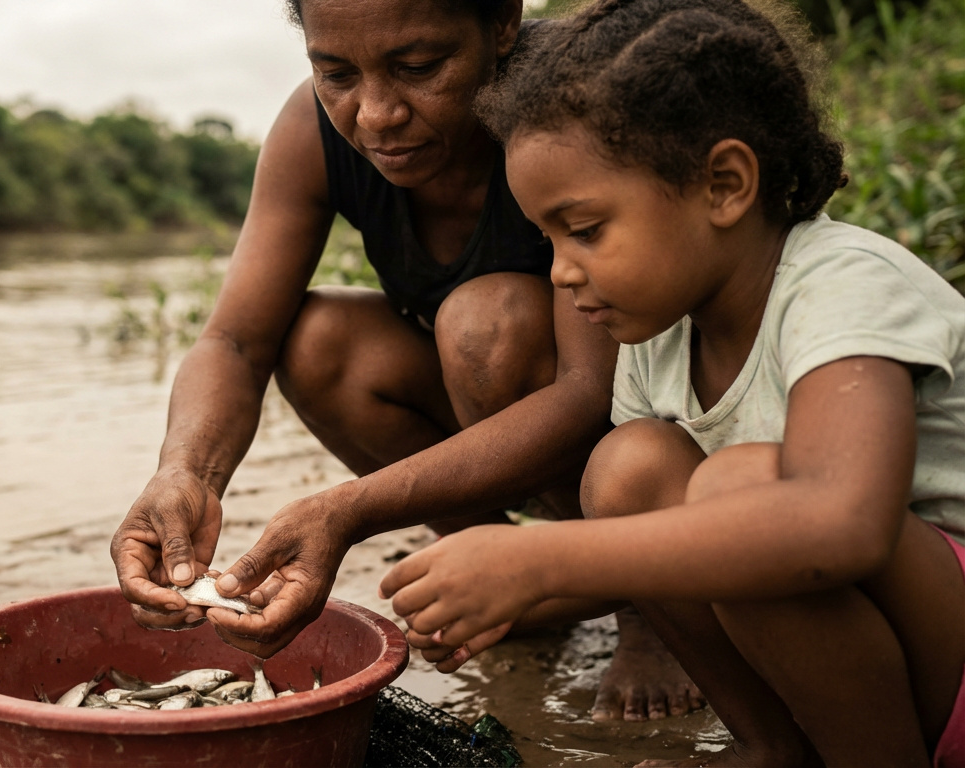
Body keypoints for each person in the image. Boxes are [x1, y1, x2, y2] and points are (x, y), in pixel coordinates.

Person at [380, 0, 965, 763]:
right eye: (546, 238)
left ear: (724, 184)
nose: (560, 271)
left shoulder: (842, 286)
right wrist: (493, 593)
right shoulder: (661, 334)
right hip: (887, 657)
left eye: (585, 230)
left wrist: (539, 560)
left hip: (947, 654)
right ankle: (774, 747)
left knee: (739, 488)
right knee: (631, 468)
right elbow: (655, 556)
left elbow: (838, 527)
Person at [109, 0, 708, 724]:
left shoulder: (571, 102)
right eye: (336, 72)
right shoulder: (313, 129)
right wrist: (185, 473)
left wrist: (346, 512)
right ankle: (491, 568)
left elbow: (588, 390)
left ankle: (647, 601)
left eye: (419, 68)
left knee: (486, 324)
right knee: (318, 337)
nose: (375, 115)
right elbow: (234, 341)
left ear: (502, 23)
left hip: (640, 420)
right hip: (497, 406)